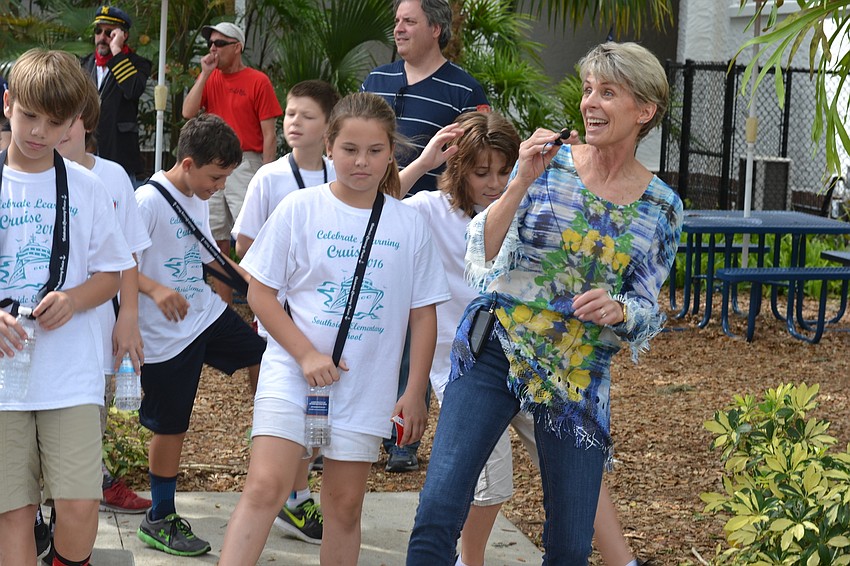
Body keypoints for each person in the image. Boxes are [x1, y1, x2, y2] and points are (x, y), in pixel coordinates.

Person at [406, 41, 684, 565]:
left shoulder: (662, 207)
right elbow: (482, 256)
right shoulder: (548, 164)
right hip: (497, 347)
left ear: (644, 111)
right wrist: (520, 183)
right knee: (438, 509)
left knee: (571, 547)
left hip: (576, 376)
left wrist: (621, 311)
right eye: (587, 91)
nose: (590, 103)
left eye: (608, 93)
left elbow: (647, 306)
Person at [218, 92, 450, 566]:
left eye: (375, 151)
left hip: (366, 384)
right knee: (266, 486)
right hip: (292, 371)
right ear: (329, 147)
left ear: (392, 153)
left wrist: (414, 391)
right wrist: (305, 355)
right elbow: (261, 294)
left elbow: (423, 313)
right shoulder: (300, 208)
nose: (362, 162)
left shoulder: (409, 224)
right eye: (349, 149)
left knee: (344, 507)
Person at [0, 48, 135, 566]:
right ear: (7, 103)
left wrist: (75, 299)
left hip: (70, 373)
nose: (38, 131)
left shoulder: (88, 187)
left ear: (73, 124)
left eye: (55, 122)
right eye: (29, 115)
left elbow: (112, 272)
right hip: (6, 379)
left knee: (80, 504)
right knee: (13, 510)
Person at [362, 0, 490, 472]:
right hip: (375, 222)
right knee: (377, 325)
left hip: (431, 226)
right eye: (396, 20)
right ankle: (366, 426)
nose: (398, 27)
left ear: (436, 29)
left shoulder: (465, 89)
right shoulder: (375, 82)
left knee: (419, 324)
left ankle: (403, 438)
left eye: (409, 20)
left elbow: (480, 156)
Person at [133, 114, 267, 556]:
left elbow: (209, 257)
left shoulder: (194, 195)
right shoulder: (148, 201)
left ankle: (272, 445)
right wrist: (154, 289)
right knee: (171, 427)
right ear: (188, 163)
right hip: (165, 334)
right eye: (216, 177)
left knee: (266, 353)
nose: (220, 187)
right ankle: (160, 516)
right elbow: (117, 265)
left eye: (226, 177)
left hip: (205, 314)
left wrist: (260, 289)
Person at [232, 79, 340, 546]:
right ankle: (291, 496)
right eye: (289, 114)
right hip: (282, 316)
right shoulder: (270, 177)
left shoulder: (340, 170)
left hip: (331, 317)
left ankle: (298, 492)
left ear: (329, 126)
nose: (293, 123)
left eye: (305, 116)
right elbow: (244, 245)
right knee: (286, 408)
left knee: (320, 418)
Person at [55, 77, 153, 514]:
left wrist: (128, 315)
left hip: (94, 332)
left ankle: (75, 512)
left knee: (87, 426)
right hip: (31, 338)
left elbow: (127, 255)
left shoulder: (111, 177)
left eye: (67, 119)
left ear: (86, 121)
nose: (56, 131)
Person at [182, 21, 283, 305]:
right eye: (210, 44)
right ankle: (223, 307)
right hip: (211, 164)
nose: (212, 49)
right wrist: (204, 74)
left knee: (250, 236)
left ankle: (261, 304)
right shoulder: (211, 78)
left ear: (236, 47)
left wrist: (266, 174)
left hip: (246, 164)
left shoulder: (257, 80)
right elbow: (188, 112)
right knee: (215, 235)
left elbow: (269, 134)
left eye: (219, 43)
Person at [80, 5, 152, 186]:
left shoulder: (138, 64)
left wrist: (117, 52)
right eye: (98, 31)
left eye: (109, 32)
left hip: (120, 153)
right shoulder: (83, 64)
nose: (102, 37)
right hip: (86, 151)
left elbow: (133, 90)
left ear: (123, 36)